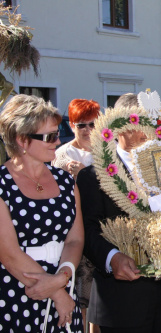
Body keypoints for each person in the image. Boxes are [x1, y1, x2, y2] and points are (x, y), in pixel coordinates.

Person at [76, 93, 161, 333]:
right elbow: (87, 232)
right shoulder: (94, 176)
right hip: (120, 302)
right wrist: (112, 257)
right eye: (138, 125)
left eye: (151, 124)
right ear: (118, 127)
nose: (146, 132)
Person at [0, 94, 84, 332]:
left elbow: (76, 239)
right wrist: (57, 293)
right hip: (16, 292)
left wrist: (63, 276)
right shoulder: (2, 184)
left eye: (57, 134)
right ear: (22, 140)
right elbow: (9, 253)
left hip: (63, 285)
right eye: (50, 136)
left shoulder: (66, 181)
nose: (58, 142)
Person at [52, 98, 101, 333]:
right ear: (72, 125)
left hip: (103, 228)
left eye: (93, 124)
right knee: (82, 292)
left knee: (101, 297)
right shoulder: (61, 154)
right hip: (74, 229)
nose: (88, 130)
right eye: (82, 125)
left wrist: (86, 174)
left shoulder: (107, 153)